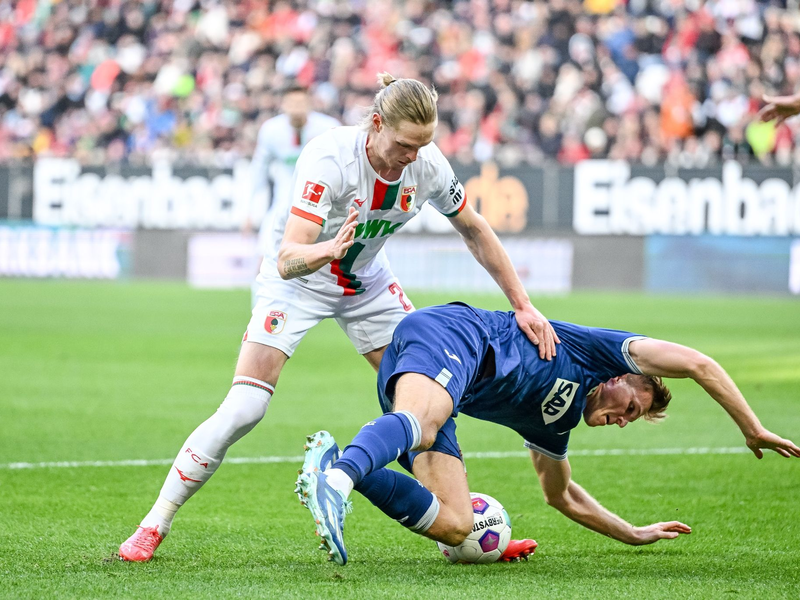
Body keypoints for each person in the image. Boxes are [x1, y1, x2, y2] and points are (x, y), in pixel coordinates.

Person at [118, 75, 559, 561]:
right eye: (405, 144)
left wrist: (523, 303)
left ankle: (467, 531)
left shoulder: (427, 163)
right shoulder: (330, 158)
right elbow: (288, 257)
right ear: (375, 125)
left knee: (432, 397)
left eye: (424, 145)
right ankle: (153, 525)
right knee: (246, 408)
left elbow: (474, 230)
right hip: (297, 282)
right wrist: (326, 249)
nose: (414, 156)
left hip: (367, 283)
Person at [295, 302, 800, 565]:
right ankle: (337, 480)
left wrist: (633, 534)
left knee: (454, 526)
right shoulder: (596, 352)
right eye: (629, 406)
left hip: (439, 386)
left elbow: (561, 497)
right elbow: (697, 363)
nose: (622, 419)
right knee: (423, 423)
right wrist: (751, 428)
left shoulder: (554, 425)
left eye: (630, 421)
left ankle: (339, 464)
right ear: (620, 376)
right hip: (457, 336)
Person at [245, 84, 340, 305]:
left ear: (310, 104)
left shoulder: (330, 129)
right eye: (292, 103)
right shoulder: (271, 130)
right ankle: (259, 313)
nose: (296, 109)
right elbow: (258, 172)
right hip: (281, 207)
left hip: (318, 208)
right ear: (283, 105)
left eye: (301, 103)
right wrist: (249, 210)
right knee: (263, 261)